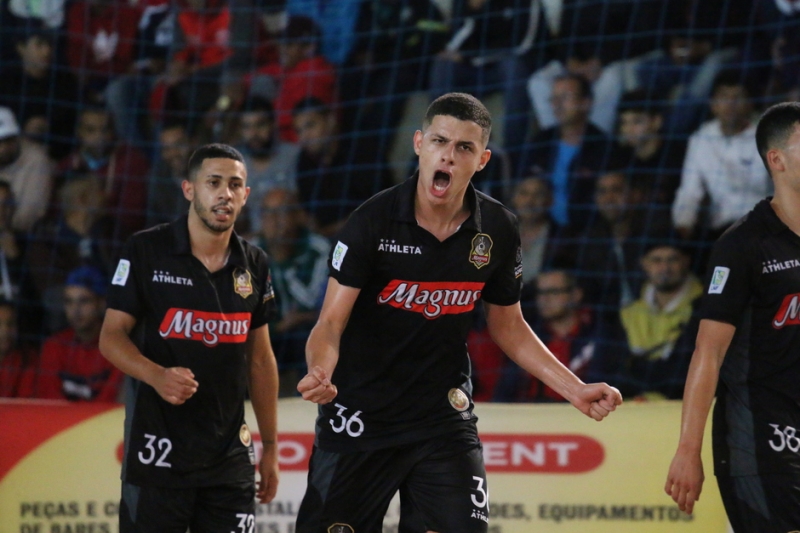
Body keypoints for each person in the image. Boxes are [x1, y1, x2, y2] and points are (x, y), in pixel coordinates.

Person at [295, 92, 622, 532]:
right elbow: (330, 322)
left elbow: (509, 326)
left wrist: (575, 388)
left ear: (482, 159)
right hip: (359, 415)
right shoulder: (371, 222)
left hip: (442, 418)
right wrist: (320, 369)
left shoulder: (498, 228)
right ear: (418, 144)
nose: (448, 156)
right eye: (439, 141)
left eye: (463, 148)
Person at [99, 143, 280, 531]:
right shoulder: (146, 249)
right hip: (158, 455)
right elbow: (111, 338)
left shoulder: (255, 264)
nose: (224, 194)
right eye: (213, 182)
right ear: (189, 189)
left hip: (229, 458)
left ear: (246, 195)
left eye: (235, 185)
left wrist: (272, 448)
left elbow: (261, 361)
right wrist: (156, 375)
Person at [665, 101, 800, 530]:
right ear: (776, 159)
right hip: (759, 435)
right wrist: (689, 449)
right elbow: (708, 352)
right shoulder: (743, 244)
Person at [250, 187, 328, 396]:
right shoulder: (250, 252)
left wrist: (282, 262)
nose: (275, 220)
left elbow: (311, 303)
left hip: (303, 333)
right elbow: (246, 307)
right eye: (268, 212)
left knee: (308, 335)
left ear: (297, 216)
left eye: (282, 212)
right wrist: (279, 325)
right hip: (267, 333)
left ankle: (308, 407)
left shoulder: (318, 249)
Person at [618, 240, 700, 400]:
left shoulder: (705, 307)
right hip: (632, 409)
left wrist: (637, 368)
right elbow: (614, 370)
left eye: (672, 259)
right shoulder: (628, 313)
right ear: (644, 264)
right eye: (657, 260)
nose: (665, 268)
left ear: (686, 261)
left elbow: (685, 374)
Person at [36, 265, 124, 401]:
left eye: (84, 301)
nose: (75, 310)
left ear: (101, 303)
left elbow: (109, 403)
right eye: (69, 302)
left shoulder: (119, 347)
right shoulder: (54, 346)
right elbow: (50, 401)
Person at [0, 106, 54, 233]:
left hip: (18, 236)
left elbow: (29, 217)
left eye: (7, 141)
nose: (2, 148)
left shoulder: (37, 160)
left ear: (17, 138)